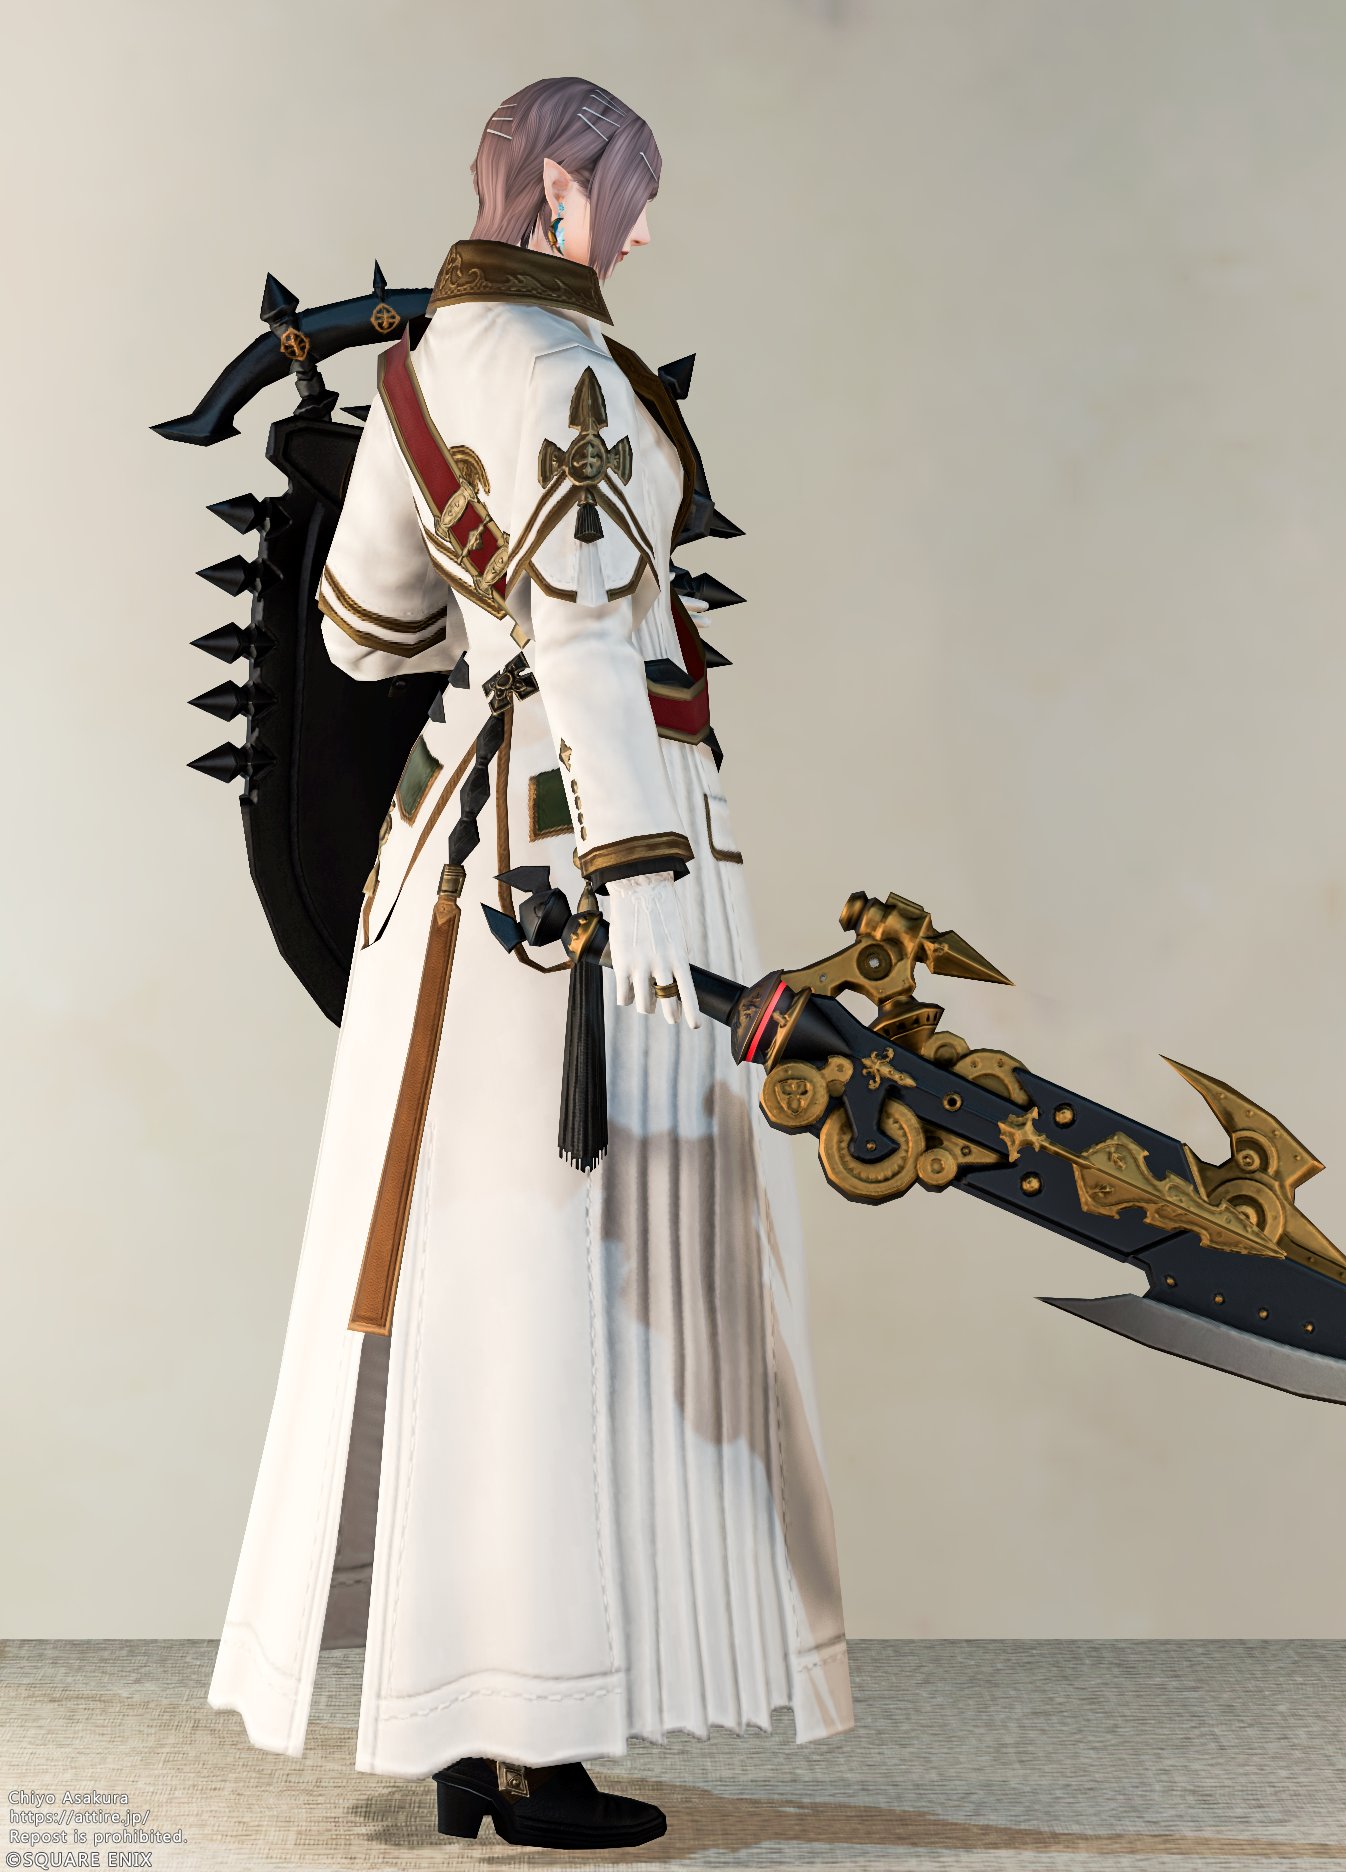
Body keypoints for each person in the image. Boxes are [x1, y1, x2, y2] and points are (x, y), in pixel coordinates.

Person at [206, 76, 853, 1853]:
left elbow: (364, 632)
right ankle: (536, 1747)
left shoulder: (424, 372)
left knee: (471, 1282)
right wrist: (648, 896)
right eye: (632, 193)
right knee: (565, 1292)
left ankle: (461, 1734)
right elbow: (582, 647)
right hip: (573, 879)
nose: (645, 228)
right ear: (565, 187)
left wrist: (471, 594)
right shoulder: (577, 374)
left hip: (444, 869)